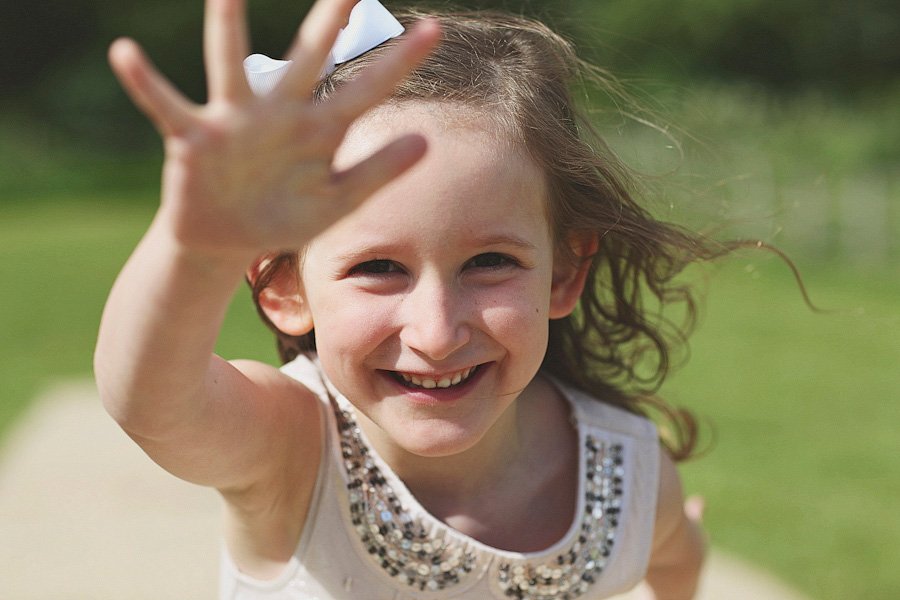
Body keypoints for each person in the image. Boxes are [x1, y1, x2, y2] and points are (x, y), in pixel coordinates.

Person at [95, 0, 712, 598]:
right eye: (379, 268)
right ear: (284, 289)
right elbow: (151, 401)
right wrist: (195, 246)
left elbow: (680, 558)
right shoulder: (291, 448)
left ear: (563, 272)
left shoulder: (629, 475)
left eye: (490, 262)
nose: (436, 333)